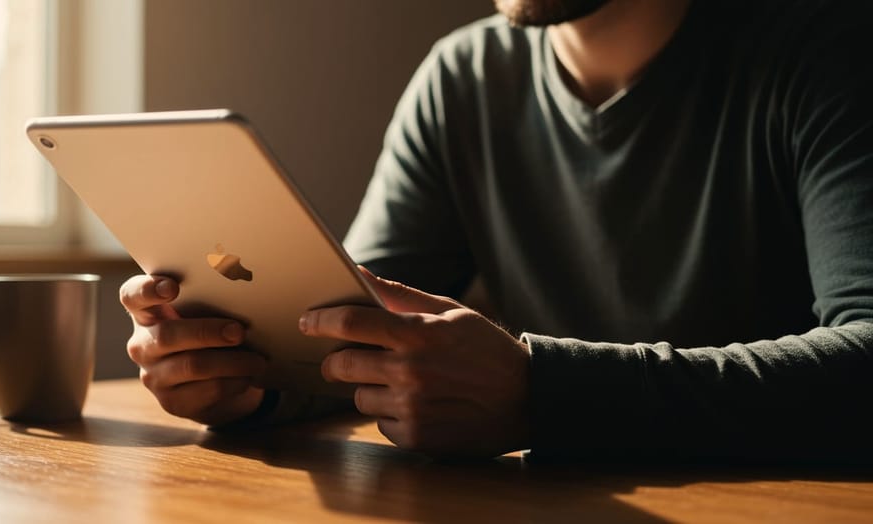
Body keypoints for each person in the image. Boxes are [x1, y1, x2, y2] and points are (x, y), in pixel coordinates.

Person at [120, 0, 873, 462]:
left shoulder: (830, 50)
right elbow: (355, 332)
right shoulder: (464, 78)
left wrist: (544, 392)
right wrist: (248, 382)